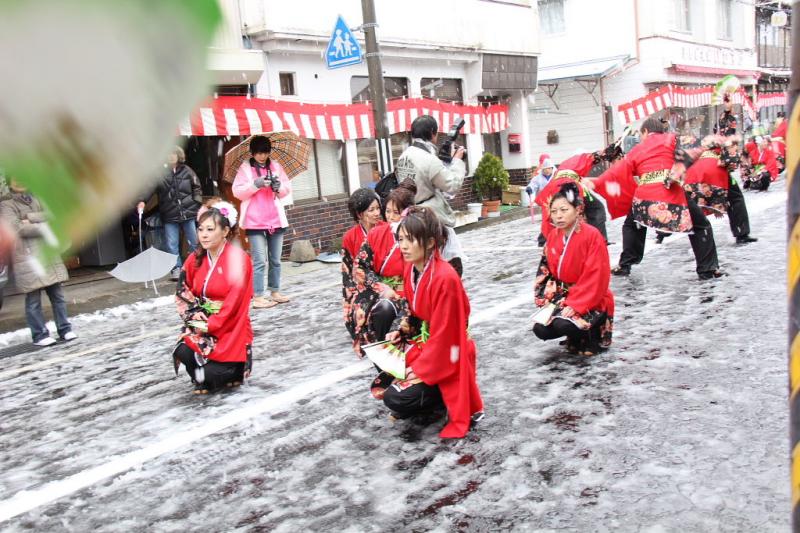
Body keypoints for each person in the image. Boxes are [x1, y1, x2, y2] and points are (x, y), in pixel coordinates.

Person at [378, 206, 483, 439]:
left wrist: (421, 369)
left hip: (451, 350)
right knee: (386, 365)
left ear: (429, 243)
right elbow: (415, 312)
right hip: (430, 343)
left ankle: (435, 395)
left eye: (410, 240)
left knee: (395, 397)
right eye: (401, 239)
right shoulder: (412, 269)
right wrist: (400, 330)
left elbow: (446, 335)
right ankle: (428, 394)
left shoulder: (445, 278)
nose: (403, 246)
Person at [586, 116, 722, 280]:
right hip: (671, 194)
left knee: (632, 224)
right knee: (701, 226)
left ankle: (625, 264)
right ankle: (707, 269)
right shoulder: (671, 139)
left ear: (645, 131)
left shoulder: (638, 149)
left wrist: (598, 182)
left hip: (645, 199)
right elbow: (689, 156)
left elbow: (620, 169)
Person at [173, 202, 253, 393]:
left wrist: (213, 323)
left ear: (225, 231)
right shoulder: (195, 258)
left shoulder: (239, 259)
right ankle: (209, 374)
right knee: (182, 350)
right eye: (200, 229)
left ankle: (232, 370)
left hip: (230, 324)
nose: (204, 234)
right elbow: (183, 291)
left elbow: (235, 302)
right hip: (203, 321)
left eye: (210, 229)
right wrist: (194, 314)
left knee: (209, 376)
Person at [532, 182, 614, 356]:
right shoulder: (553, 236)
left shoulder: (592, 235)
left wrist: (577, 304)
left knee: (564, 323)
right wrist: (546, 299)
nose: (558, 216)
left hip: (592, 296)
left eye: (564, 210)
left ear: (577, 210)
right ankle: (575, 337)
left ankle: (591, 337)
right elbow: (545, 271)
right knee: (541, 329)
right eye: (554, 212)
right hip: (564, 295)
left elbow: (597, 276)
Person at [1, 180, 77, 346]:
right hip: (28, 257)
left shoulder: (37, 198)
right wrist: (43, 226)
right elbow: (17, 228)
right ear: (9, 182)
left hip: (46, 253)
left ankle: (65, 329)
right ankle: (40, 335)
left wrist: (29, 218)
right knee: (33, 298)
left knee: (57, 295)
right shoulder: (7, 204)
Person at [349, 180, 417, 356]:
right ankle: (384, 358)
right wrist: (381, 287)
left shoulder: (418, 236)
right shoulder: (376, 234)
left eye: (397, 212)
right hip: (381, 291)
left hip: (411, 291)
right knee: (383, 309)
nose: (391, 217)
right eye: (388, 211)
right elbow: (361, 266)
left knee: (409, 315)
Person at [395, 115, 467, 276]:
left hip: (412, 216)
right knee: (450, 265)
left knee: (422, 265)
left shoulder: (403, 157)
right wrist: (457, 161)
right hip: (433, 218)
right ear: (433, 133)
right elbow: (452, 185)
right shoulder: (428, 159)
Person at [232, 135, 292, 309]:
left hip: (275, 219)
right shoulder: (244, 169)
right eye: (259, 153)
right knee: (259, 260)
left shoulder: (276, 167)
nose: (262, 156)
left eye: (265, 152)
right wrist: (255, 184)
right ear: (252, 153)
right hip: (254, 220)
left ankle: (274, 291)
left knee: (276, 260)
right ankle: (258, 296)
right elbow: (238, 192)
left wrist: (278, 187)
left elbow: (286, 189)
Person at [137, 146, 202, 280]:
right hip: (169, 214)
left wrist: (196, 203)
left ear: (179, 156)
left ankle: (198, 266)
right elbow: (149, 188)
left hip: (188, 212)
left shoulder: (187, 170)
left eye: (174, 154)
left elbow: (197, 187)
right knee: (171, 243)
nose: (171, 156)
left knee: (194, 241)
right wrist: (142, 200)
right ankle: (176, 269)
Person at [342, 188, 383, 341]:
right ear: (359, 214)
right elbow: (347, 270)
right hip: (360, 286)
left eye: (378, 208)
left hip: (385, 281)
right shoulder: (349, 237)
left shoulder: (386, 229)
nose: (377, 213)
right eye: (371, 210)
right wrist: (351, 296)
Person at [526, 158, 555, 246]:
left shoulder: (556, 176)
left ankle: (553, 236)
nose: (548, 170)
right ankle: (543, 237)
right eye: (546, 169)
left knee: (554, 219)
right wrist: (530, 188)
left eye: (549, 168)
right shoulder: (538, 178)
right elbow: (533, 184)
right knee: (546, 220)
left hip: (556, 201)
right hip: (545, 202)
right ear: (543, 169)